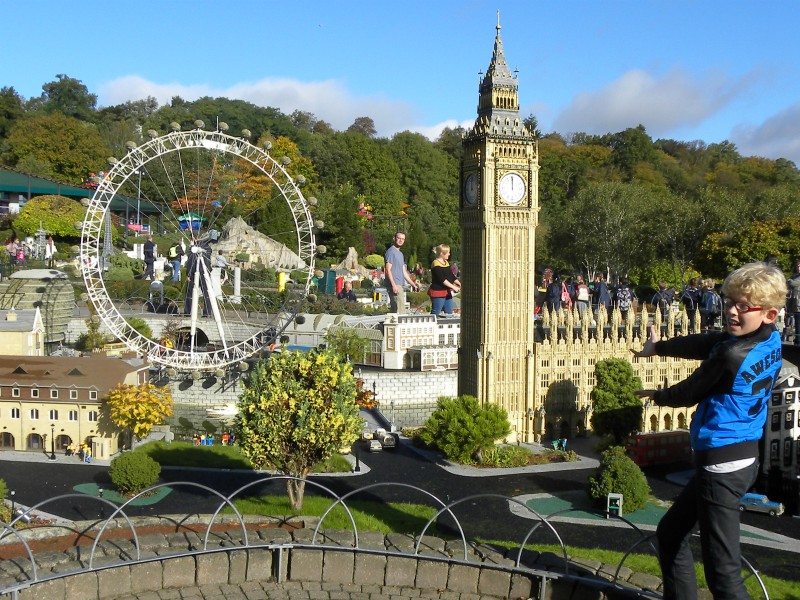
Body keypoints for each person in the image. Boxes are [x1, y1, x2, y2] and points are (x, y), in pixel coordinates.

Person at [632, 261, 786, 600]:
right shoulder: (769, 340)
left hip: (722, 465)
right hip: (742, 457)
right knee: (671, 532)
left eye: (743, 307)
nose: (731, 311)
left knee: (724, 575)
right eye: (729, 301)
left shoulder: (732, 355)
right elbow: (706, 342)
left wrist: (656, 396)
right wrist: (660, 347)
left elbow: (692, 390)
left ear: (769, 314)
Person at [384, 231, 419, 313]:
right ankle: (399, 325)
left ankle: (392, 325)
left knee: (395, 309)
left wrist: (413, 284)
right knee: (400, 309)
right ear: (394, 238)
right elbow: (388, 269)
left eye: (403, 239)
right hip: (395, 284)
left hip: (399, 283)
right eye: (399, 238)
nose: (401, 240)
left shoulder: (400, 254)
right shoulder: (391, 252)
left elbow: (403, 271)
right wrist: (394, 285)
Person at [428, 244, 461, 316]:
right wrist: (454, 287)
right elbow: (442, 279)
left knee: (449, 312)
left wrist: (459, 284)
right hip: (438, 292)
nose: (449, 254)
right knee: (436, 312)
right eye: (448, 252)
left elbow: (451, 276)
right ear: (442, 253)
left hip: (447, 292)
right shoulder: (435, 263)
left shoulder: (446, 263)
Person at [785, 260, 800, 345]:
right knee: (795, 321)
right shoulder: (794, 276)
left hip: (799, 303)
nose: (798, 268)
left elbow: (793, 283)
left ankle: (798, 339)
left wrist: (789, 281)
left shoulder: (795, 278)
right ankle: (797, 338)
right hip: (793, 302)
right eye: (797, 266)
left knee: (798, 322)